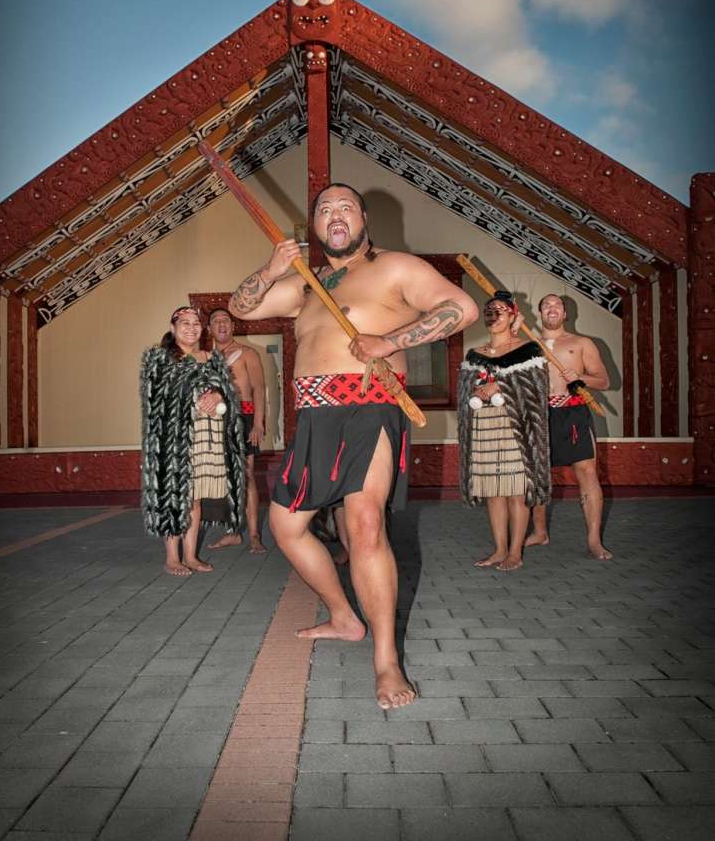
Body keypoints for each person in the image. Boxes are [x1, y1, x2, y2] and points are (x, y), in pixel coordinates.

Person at [229, 183, 478, 708]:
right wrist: (271, 270)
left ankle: (387, 661)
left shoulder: (395, 267)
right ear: (315, 225)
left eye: (345, 207)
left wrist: (390, 342)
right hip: (314, 416)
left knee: (365, 525)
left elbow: (461, 308)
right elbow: (241, 308)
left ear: (364, 218)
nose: (335, 214)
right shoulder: (309, 284)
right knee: (285, 526)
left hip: (370, 406)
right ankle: (344, 617)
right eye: (324, 209)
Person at [140, 307, 247, 576]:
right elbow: (157, 398)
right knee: (177, 495)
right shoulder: (159, 358)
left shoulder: (212, 358)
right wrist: (196, 385)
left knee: (195, 498)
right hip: (175, 440)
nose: (191, 328)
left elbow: (229, 393)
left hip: (208, 437)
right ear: (173, 328)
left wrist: (219, 395)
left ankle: (190, 555)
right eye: (184, 323)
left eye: (196, 323)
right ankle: (172, 558)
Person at [458, 291, 550, 571]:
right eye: (490, 310)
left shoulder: (528, 349)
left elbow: (537, 387)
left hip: (516, 427)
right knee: (493, 490)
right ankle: (499, 550)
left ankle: (515, 552)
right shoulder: (475, 355)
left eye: (500, 310)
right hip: (484, 426)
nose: (494, 314)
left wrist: (499, 385)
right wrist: (476, 390)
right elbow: (464, 391)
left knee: (516, 491)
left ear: (512, 316)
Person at [525, 293, 612, 559]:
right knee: (538, 474)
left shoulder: (581, 343)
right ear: (540, 312)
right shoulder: (528, 344)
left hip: (574, 412)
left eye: (557, 305)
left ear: (565, 314)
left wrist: (581, 377)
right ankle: (540, 532)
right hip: (539, 413)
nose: (551, 308)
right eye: (546, 304)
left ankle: (594, 540)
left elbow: (604, 381)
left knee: (587, 473)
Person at [207, 307, 266, 554]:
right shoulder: (207, 358)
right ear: (209, 328)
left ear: (232, 326)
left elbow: (259, 388)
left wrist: (258, 423)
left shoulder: (247, 353)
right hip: (218, 420)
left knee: (247, 474)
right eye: (216, 320)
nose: (221, 324)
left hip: (245, 417)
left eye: (226, 320)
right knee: (226, 477)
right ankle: (233, 532)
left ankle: (253, 535)